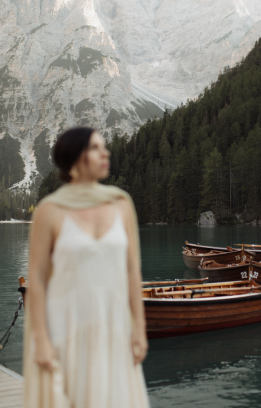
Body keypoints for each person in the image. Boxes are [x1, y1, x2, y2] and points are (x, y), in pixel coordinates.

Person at [24, 127, 150, 408]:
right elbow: (37, 279)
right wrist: (41, 340)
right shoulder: (49, 210)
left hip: (114, 325)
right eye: (95, 148)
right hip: (66, 326)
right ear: (74, 157)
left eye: (103, 147)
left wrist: (139, 329)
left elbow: (132, 271)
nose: (105, 153)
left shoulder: (121, 203)